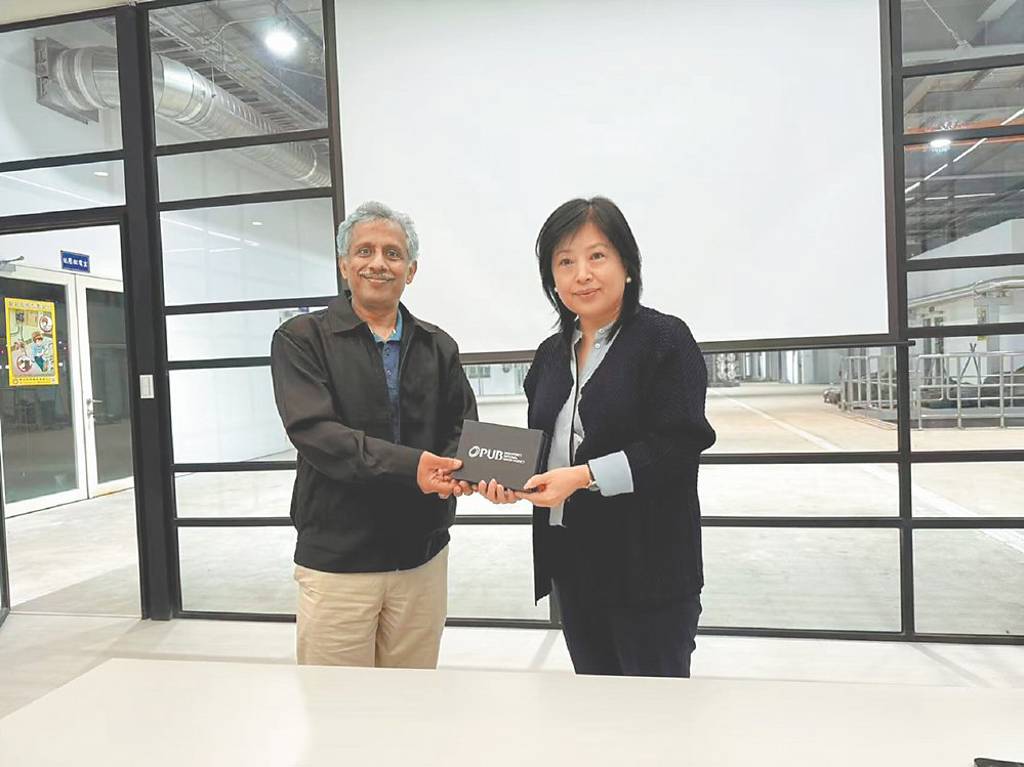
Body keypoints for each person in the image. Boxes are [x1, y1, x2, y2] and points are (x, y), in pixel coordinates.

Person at [479, 196, 715, 677]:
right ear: (552, 279)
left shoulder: (665, 340)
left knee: (653, 710)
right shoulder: (550, 355)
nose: (582, 274)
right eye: (565, 262)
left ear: (627, 265)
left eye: (597, 256)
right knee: (594, 705)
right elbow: (544, 447)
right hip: (574, 567)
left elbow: (677, 446)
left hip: (650, 570)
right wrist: (508, 480)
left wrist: (585, 476)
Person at [271, 200, 477, 669]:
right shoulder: (301, 339)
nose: (378, 263)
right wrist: (415, 468)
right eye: (364, 251)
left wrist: (464, 470)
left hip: (421, 559)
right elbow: (316, 432)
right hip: (339, 561)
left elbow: (462, 427)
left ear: (411, 270)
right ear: (344, 265)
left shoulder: (438, 346)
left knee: (411, 697)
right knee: (337, 702)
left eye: (393, 253)